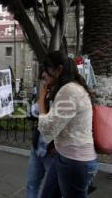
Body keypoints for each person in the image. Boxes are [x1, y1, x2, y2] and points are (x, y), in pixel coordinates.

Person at [38, 51, 98, 198]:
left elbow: (47, 129)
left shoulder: (69, 90)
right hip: (64, 157)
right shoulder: (72, 88)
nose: (43, 75)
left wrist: (41, 100)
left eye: (46, 70)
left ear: (58, 70)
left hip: (75, 162)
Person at [26, 103, 56, 198]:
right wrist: (42, 98)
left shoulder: (66, 98)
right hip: (38, 148)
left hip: (53, 153)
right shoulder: (47, 97)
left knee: (54, 190)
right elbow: (31, 113)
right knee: (31, 185)